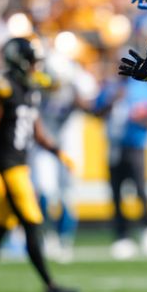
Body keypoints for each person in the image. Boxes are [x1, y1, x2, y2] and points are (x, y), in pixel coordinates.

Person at [0, 37, 79, 292]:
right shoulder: (2, 88)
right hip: (8, 168)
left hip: (19, 165)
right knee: (32, 223)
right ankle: (51, 286)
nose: (36, 67)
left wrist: (56, 150)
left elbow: (35, 129)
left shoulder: (30, 87)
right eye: (33, 62)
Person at [93, 65, 147, 260]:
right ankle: (122, 236)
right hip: (114, 146)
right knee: (116, 193)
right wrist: (112, 100)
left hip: (136, 145)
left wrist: (144, 118)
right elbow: (96, 112)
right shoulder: (110, 88)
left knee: (141, 190)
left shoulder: (146, 89)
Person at [30, 51, 97, 263]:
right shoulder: (36, 86)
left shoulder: (77, 84)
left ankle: (64, 239)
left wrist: (79, 99)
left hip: (69, 144)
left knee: (68, 194)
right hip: (43, 143)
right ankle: (47, 237)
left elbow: (91, 107)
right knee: (43, 190)